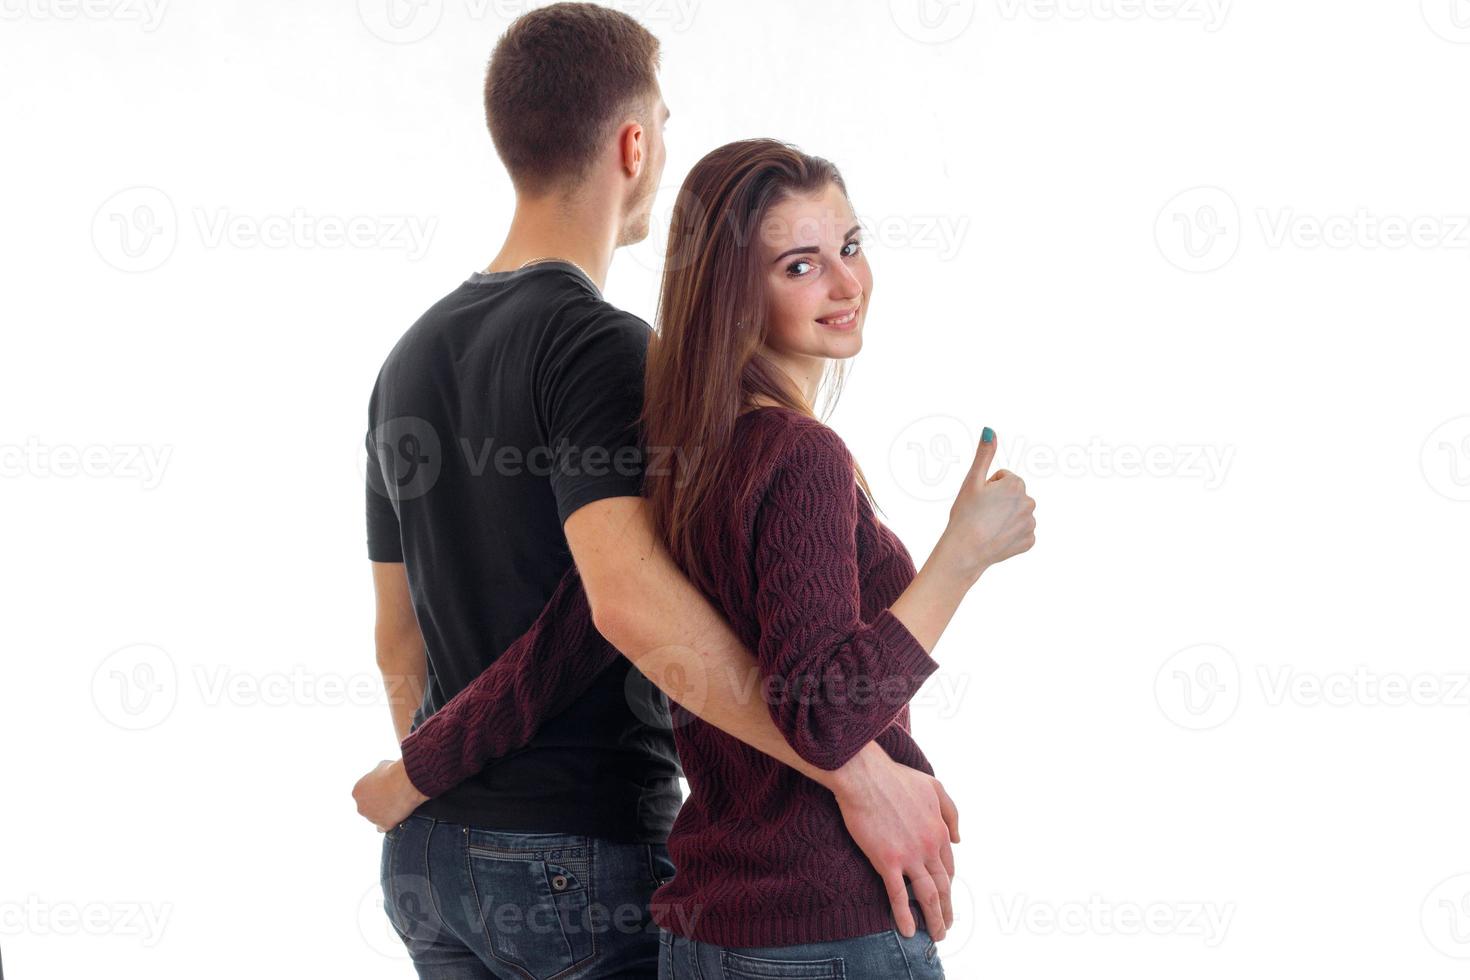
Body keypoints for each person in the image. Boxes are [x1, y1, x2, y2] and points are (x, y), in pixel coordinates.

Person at [354, 5, 969, 977]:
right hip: (577, 856)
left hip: (430, 860)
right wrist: (856, 772)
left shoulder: (406, 359)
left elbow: (398, 636)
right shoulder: (606, 351)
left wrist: (438, 784)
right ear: (635, 144)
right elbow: (630, 602)